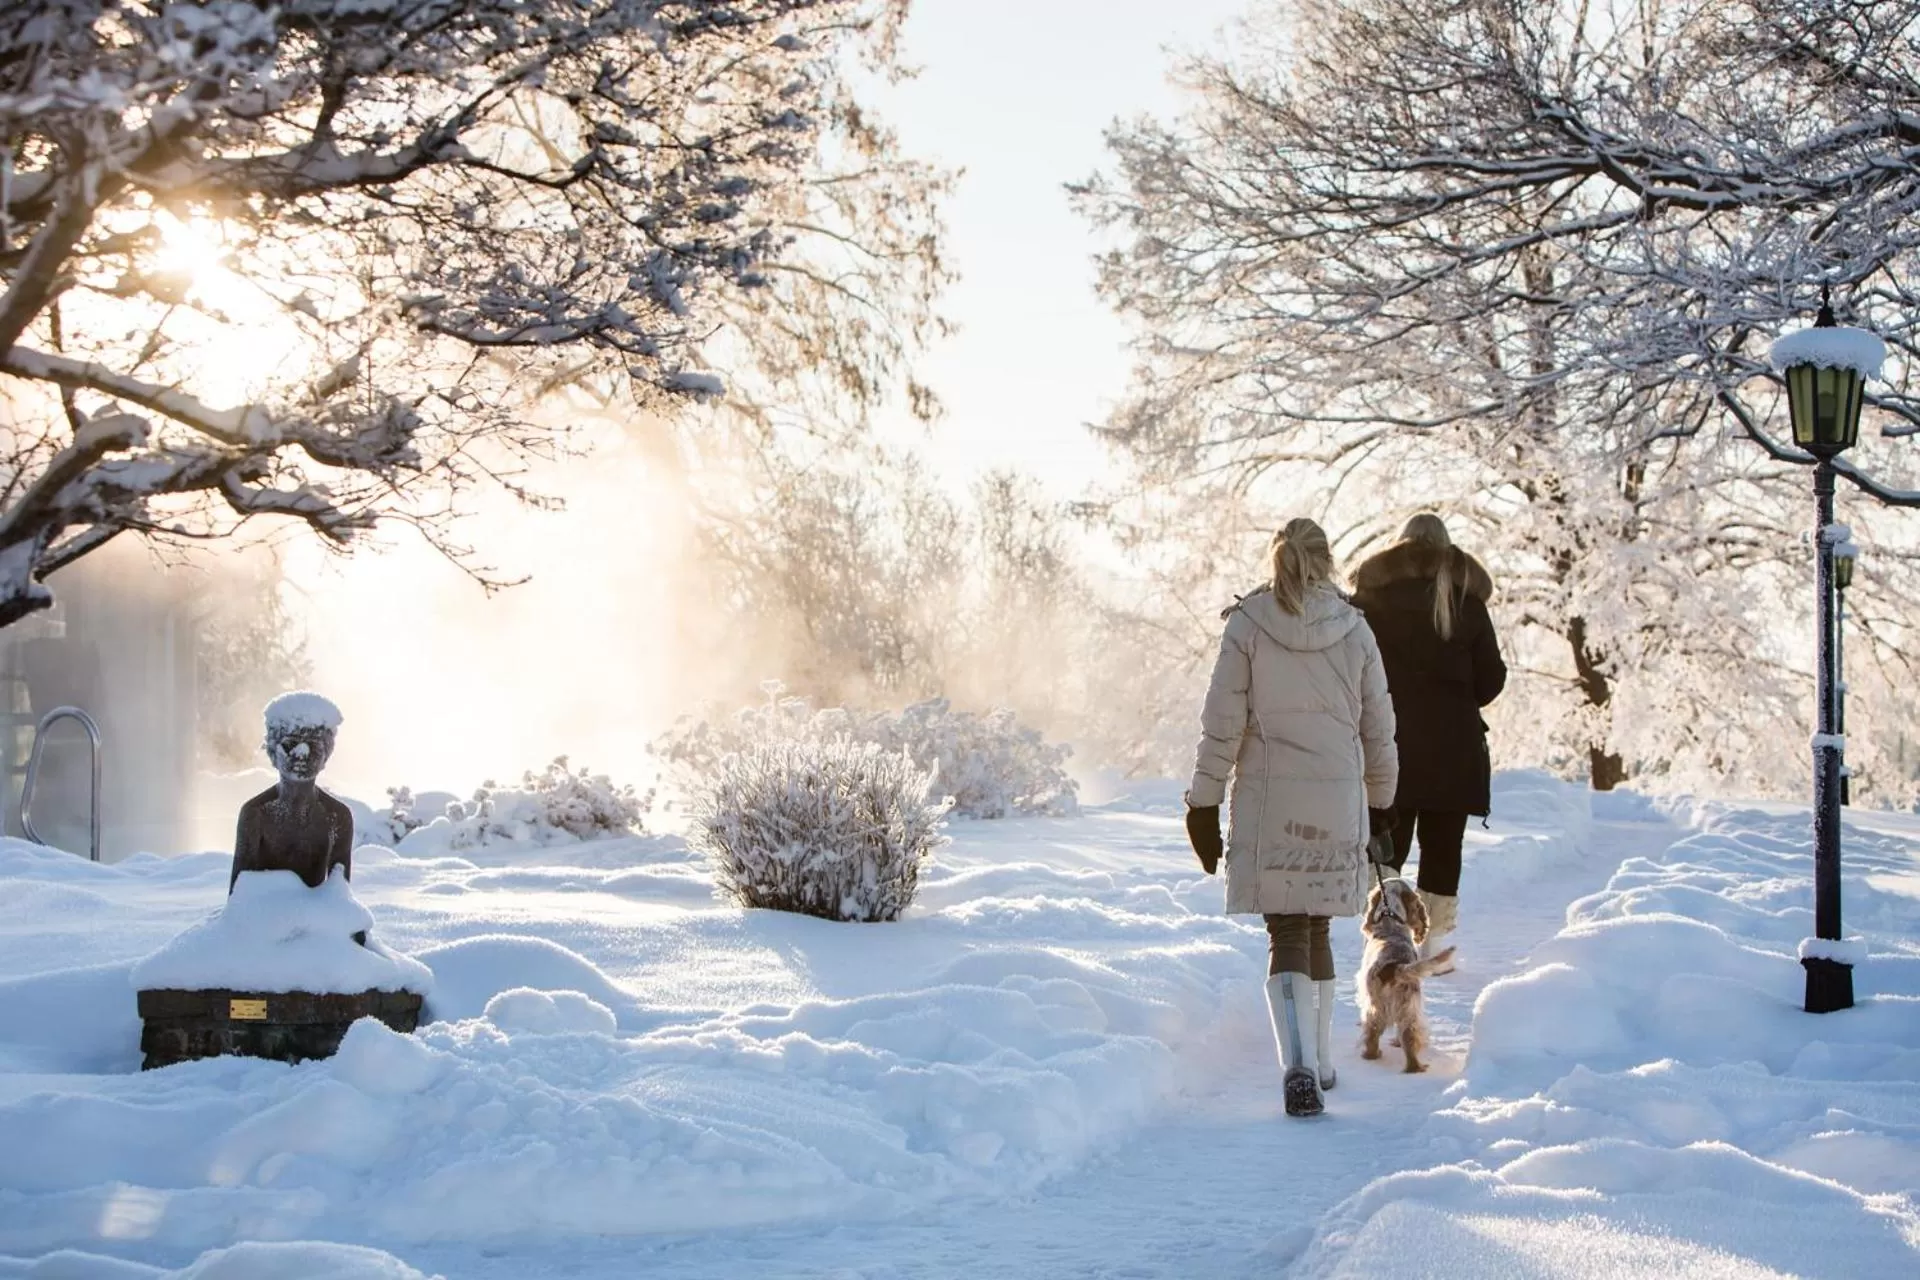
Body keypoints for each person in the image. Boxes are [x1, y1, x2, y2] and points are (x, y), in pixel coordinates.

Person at [1184, 518, 1398, 1117]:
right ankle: (1321, 1062)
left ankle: (1297, 1065)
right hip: (1337, 797)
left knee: (1286, 931)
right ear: (1327, 562)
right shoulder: (1355, 629)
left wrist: (1203, 801)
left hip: (1270, 795)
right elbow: (1379, 726)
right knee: (1319, 925)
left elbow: (1221, 724)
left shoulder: (1247, 625)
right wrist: (1383, 802)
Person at [1350, 514, 1507, 972]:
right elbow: (1491, 680)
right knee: (1443, 847)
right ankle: (1435, 948)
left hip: (1389, 743)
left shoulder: (1372, 602)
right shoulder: (1466, 604)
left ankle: (1385, 944)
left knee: (1388, 847)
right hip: (1452, 748)